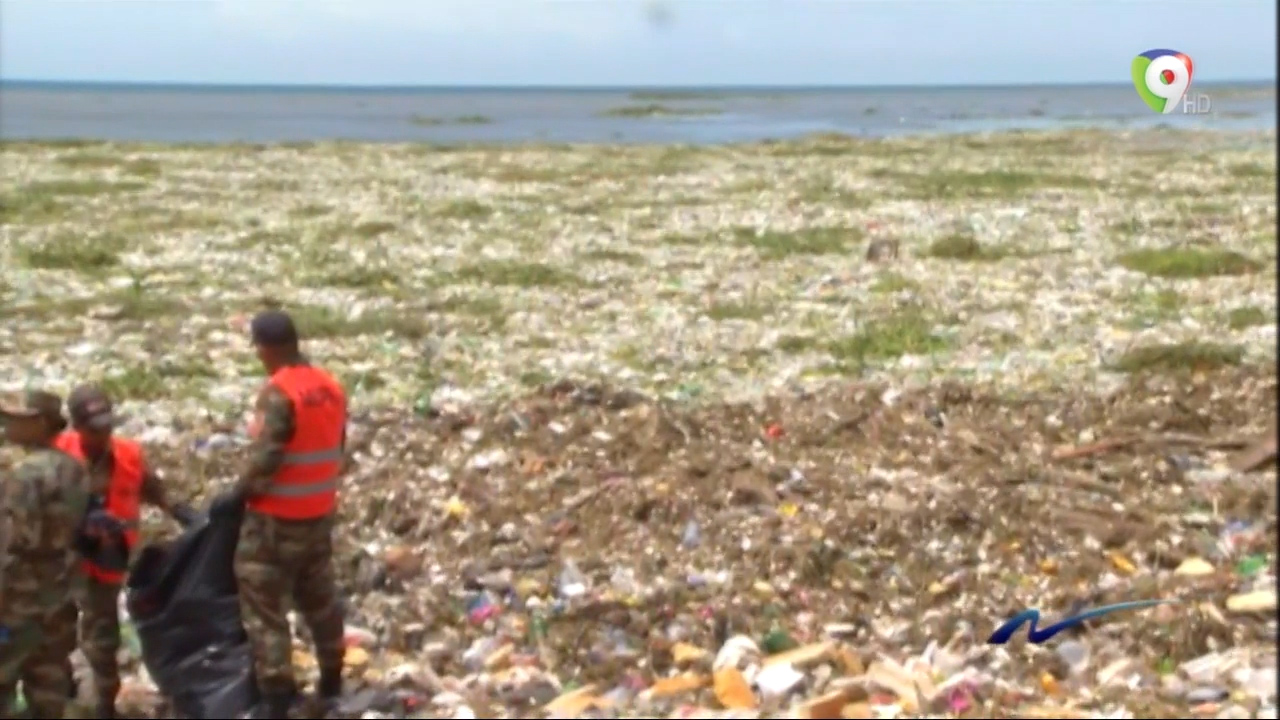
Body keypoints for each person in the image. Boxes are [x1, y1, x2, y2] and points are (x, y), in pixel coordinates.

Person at [209, 310, 348, 718]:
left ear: (266, 348)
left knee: (265, 608)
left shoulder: (279, 392)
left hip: (274, 521)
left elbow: (269, 456)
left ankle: (276, 698)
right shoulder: (330, 386)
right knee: (319, 599)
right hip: (318, 514)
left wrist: (235, 496)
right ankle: (332, 679)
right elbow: (335, 443)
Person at [54, 385, 198, 718]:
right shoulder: (57, 457)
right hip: (62, 562)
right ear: (75, 425)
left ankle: (104, 707)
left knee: (103, 640)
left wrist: (179, 511)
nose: (103, 433)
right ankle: (60, 691)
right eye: (94, 428)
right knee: (55, 632)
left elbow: (150, 487)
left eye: (107, 425)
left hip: (108, 562)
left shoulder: (128, 455)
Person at [0, 392, 90, 719]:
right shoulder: (74, 468)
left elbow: (12, 543)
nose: (8, 423)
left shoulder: (23, 476)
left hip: (18, 595)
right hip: (58, 590)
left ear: (40, 423)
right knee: (50, 677)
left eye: (17, 418)